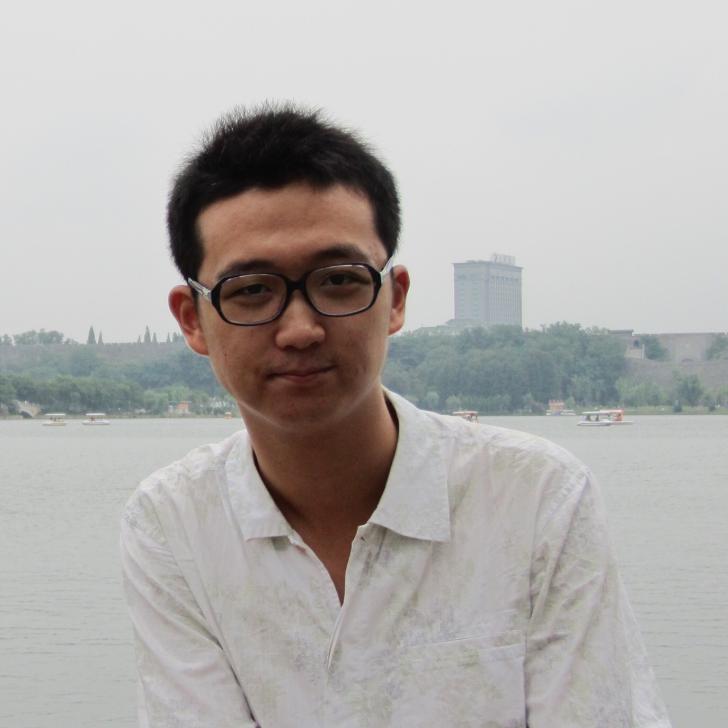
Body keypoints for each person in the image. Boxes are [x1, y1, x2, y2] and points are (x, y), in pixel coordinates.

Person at [120, 105, 671, 727]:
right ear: (192, 320)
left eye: (338, 281)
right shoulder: (174, 523)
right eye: (251, 290)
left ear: (396, 298)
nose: (299, 329)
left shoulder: (538, 498)